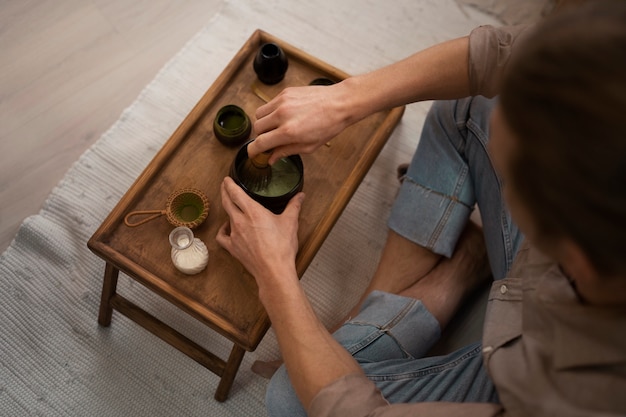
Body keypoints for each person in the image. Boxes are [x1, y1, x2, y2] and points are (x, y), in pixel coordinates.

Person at [216, 1, 626, 415]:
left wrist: (276, 278)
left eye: (514, 179)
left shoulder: (581, 400)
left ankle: (455, 276)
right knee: (469, 107)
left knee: (292, 400)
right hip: (557, 293)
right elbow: (501, 55)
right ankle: (433, 280)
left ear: (568, 253)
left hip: (522, 385)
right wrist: (345, 99)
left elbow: (360, 413)